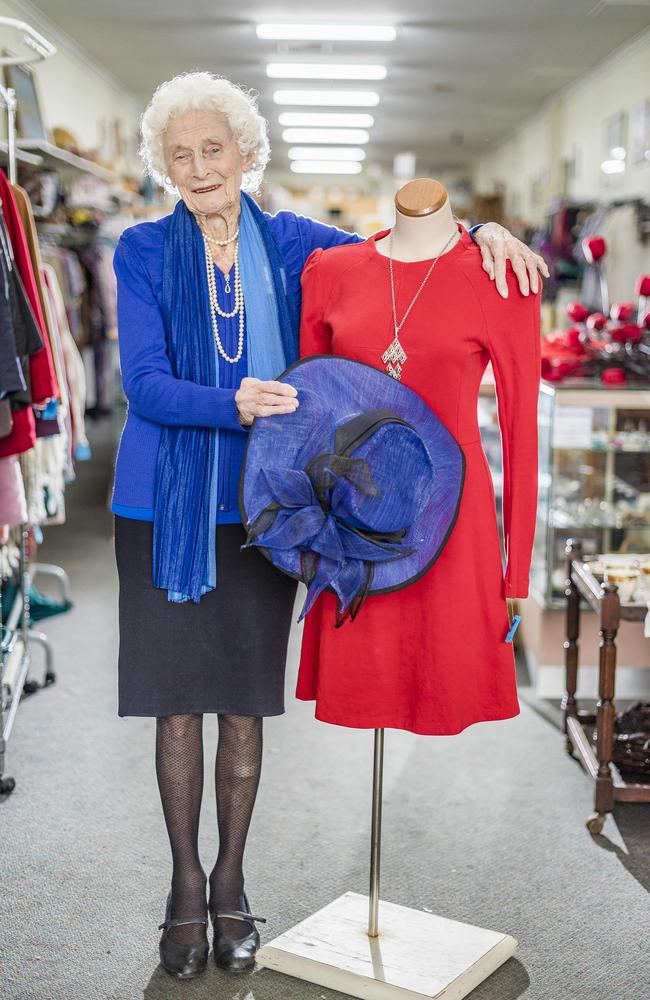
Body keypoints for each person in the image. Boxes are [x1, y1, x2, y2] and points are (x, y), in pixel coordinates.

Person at [112, 70, 548, 979]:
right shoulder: (142, 249)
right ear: (163, 164)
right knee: (176, 703)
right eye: (179, 154)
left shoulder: (299, 245)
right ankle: (185, 888)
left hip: (271, 510)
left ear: (246, 154)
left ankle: (232, 881)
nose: (199, 167)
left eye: (214, 149)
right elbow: (143, 386)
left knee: (242, 701)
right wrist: (231, 401)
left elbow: (400, 255)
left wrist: (483, 230)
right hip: (164, 508)